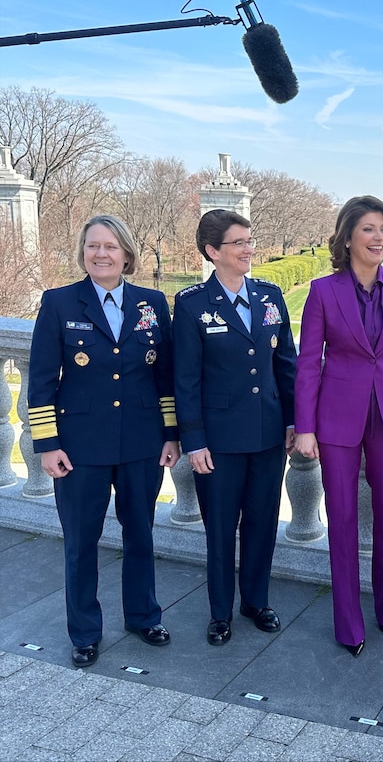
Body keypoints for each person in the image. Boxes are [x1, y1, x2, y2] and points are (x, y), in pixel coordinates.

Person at [28, 214, 180, 668]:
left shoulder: (152, 303)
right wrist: (47, 444)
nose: (101, 254)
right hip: (79, 447)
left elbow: (164, 377)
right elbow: (40, 381)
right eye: (93, 246)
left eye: (110, 246)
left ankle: (143, 616)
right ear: (83, 252)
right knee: (80, 541)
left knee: (141, 534)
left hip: (141, 443)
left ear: (127, 254)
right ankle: (85, 631)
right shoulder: (59, 303)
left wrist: (170, 434)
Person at [294, 195, 383, 657]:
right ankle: (348, 621)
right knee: (344, 517)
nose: (379, 237)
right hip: (336, 419)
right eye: (369, 229)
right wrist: (305, 426)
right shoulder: (322, 291)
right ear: (348, 236)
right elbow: (309, 363)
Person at [173, 209, 296, 647]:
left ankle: (255, 602)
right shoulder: (190, 304)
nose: (249, 249)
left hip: (266, 435)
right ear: (212, 251)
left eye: (250, 240)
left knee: (262, 523)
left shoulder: (269, 296)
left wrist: (293, 420)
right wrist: (194, 440)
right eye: (238, 243)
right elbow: (185, 379)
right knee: (221, 528)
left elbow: (287, 365)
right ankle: (220, 611)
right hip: (218, 443)